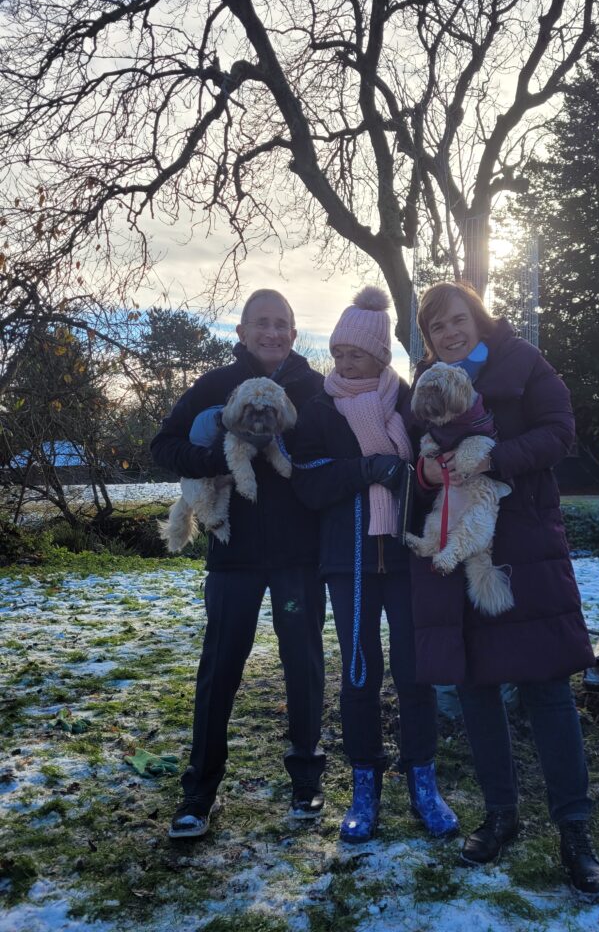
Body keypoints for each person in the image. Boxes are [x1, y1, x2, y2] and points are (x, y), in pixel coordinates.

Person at [409, 281, 599, 903]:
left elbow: (560, 432)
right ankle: (501, 814)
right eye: (437, 326)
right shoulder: (424, 384)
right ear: (428, 336)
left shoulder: (523, 360)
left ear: (479, 317)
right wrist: (425, 470)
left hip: (525, 543)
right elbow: (412, 460)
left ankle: (574, 831)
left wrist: (493, 460)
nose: (450, 332)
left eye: (459, 319)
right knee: (475, 687)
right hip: (465, 543)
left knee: (547, 687)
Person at [150, 289, 327, 838]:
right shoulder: (214, 386)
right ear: (243, 332)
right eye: (261, 324)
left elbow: (335, 458)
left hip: (299, 556)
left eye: (283, 324)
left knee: (304, 667)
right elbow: (163, 446)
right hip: (233, 555)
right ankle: (198, 793)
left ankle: (306, 784)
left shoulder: (315, 390)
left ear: (294, 335)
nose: (273, 333)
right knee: (219, 669)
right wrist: (215, 463)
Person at [291, 287, 458, 843]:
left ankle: (423, 780)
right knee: (360, 673)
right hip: (348, 562)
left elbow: (432, 470)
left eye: (354, 353)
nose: (342, 361)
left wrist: (410, 475)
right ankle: (364, 784)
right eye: (337, 352)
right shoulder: (319, 408)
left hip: (407, 556)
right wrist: (366, 469)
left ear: (381, 356)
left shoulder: (409, 401)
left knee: (416, 671)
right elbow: (309, 483)